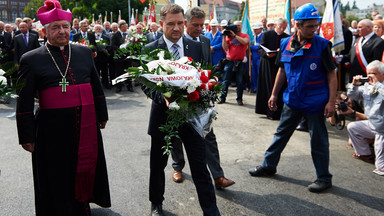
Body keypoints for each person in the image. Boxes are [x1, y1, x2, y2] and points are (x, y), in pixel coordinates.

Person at [15, 1, 111, 215]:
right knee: (56, 173)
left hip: (85, 122)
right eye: (55, 27)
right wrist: (26, 135)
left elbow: (96, 86)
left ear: (71, 28)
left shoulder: (84, 53)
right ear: (44, 31)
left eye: (65, 27)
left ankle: (82, 203)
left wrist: (102, 114)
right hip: (51, 129)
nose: (62, 31)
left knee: (85, 164)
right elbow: (24, 101)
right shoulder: (30, 59)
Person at [249, 3, 337, 193]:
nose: (314, 30)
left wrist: (331, 102)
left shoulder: (322, 45)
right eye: (309, 26)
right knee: (281, 134)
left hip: (315, 101)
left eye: (316, 26)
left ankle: (324, 178)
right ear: (297, 25)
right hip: (293, 99)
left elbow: (332, 75)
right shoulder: (285, 43)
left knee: (318, 140)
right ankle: (268, 165)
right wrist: (274, 93)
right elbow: (282, 69)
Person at [143, 4, 220, 216]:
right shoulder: (150, 49)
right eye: (171, 24)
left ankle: (211, 211)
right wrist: (164, 97)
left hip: (192, 119)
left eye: (180, 23)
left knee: (199, 167)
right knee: (157, 166)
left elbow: (206, 74)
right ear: (161, 24)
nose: (176, 28)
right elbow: (146, 85)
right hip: (162, 117)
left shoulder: (196, 46)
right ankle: (156, 204)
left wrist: (209, 90)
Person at [171, 7, 235, 190]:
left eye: (202, 25)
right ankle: (178, 167)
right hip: (181, 98)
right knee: (177, 135)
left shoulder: (206, 41)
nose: (199, 29)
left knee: (208, 134)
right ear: (186, 23)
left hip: (202, 99)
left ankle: (218, 176)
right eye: (195, 25)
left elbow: (209, 68)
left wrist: (211, 87)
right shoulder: (177, 42)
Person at [347, 61, 384, 176]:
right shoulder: (368, 86)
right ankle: (365, 154)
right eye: (368, 73)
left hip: (382, 128)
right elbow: (352, 96)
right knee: (352, 127)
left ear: (382, 74)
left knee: (381, 168)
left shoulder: (380, 85)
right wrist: (354, 85)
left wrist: (377, 85)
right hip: (373, 124)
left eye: (373, 73)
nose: (370, 76)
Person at [255, 18, 289, 120]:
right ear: (275, 25)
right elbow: (260, 49)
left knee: (280, 88)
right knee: (268, 86)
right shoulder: (267, 35)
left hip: (280, 66)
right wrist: (266, 54)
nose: (282, 29)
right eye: (280, 27)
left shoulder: (287, 37)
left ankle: (278, 112)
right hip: (268, 65)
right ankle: (268, 111)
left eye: (284, 27)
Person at [217, 20, 249, 105]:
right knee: (225, 81)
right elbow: (225, 48)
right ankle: (222, 98)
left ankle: (239, 99)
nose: (237, 27)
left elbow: (245, 42)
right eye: (235, 26)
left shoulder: (245, 35)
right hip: (230, 61)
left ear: (241, 26)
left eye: (238, 25)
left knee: (240, 81)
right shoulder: (228, 36)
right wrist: (224, 36)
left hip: (240, 62)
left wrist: (234, 35)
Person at [94, 24, 111, 89]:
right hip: (95, 57)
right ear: (94, 30)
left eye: (99, 29)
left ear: (102, 30)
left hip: (104, 57)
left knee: (105, 71)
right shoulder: (92, 37)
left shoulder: (106, 37)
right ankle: (97, 86)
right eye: (97, 29)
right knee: (96, 72)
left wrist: (107, 50)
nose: (98, 30)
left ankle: (106, 84)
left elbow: (109, 46)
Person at [250, 22, 263, 93]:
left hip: (259, 58)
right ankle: (254, 87)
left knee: (259, 73)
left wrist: (251, 47)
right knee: (253, 73)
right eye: (254, 29)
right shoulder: (253, 36)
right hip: (253, 58)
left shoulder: (263, 36)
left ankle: (259, 88)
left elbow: (260, 47)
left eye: (256, 29)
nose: (255, 30)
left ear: (260, 29)